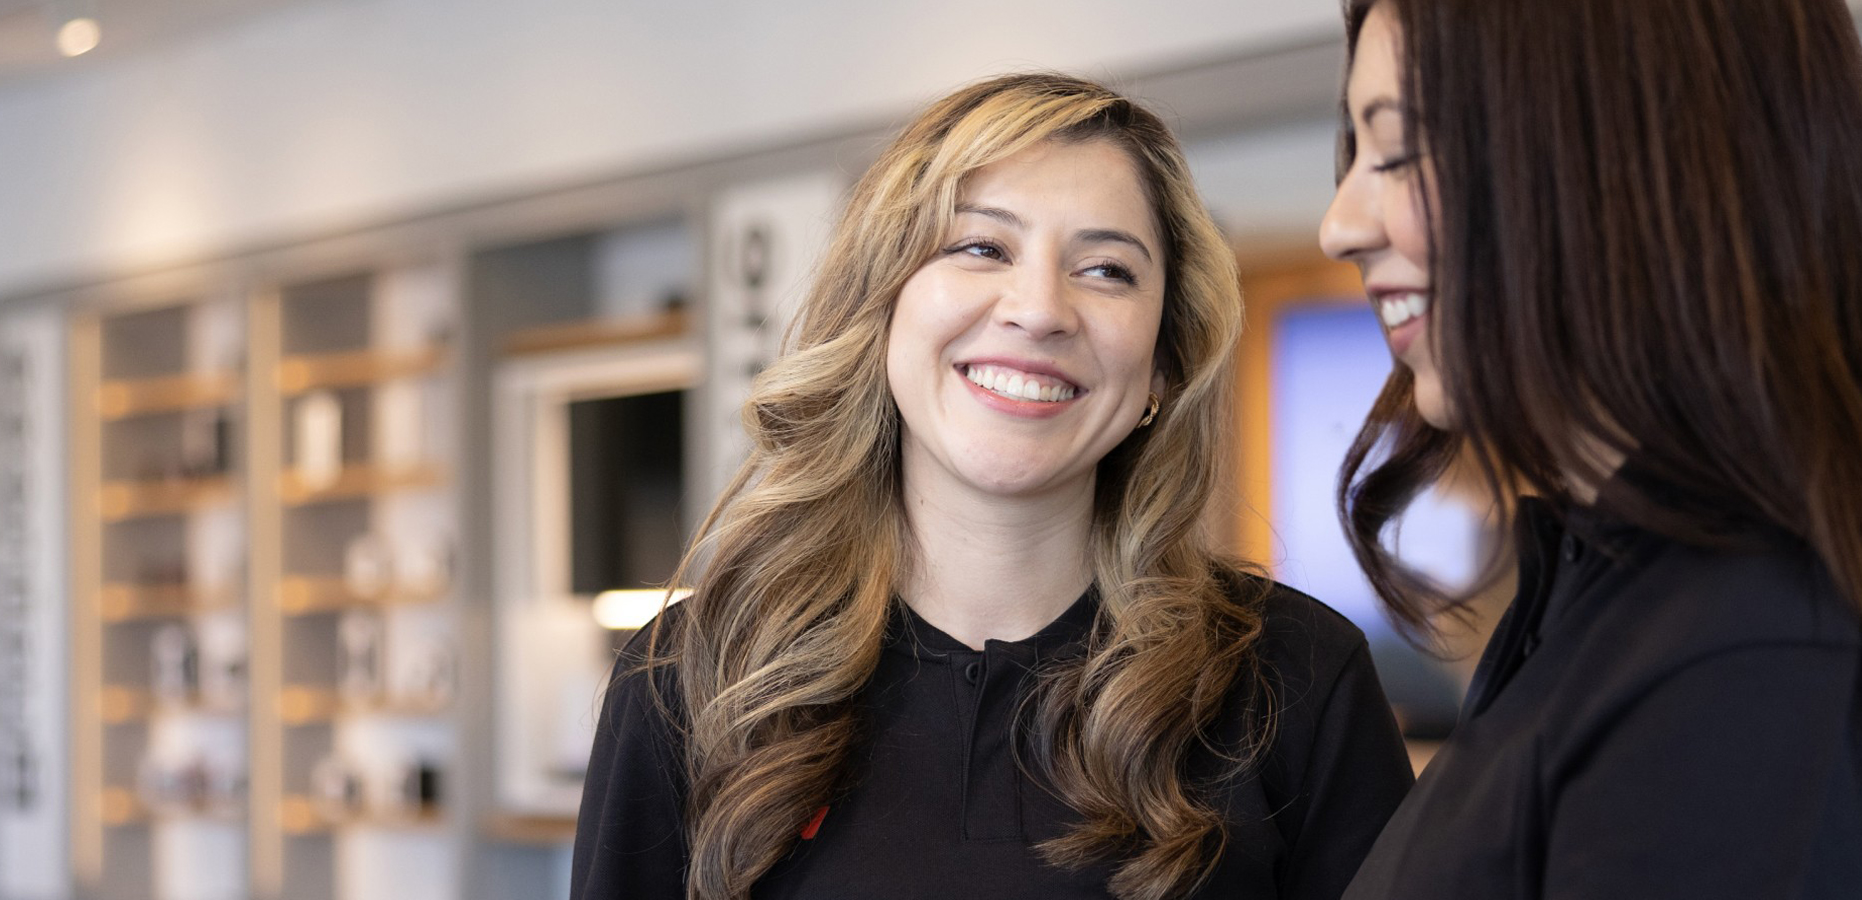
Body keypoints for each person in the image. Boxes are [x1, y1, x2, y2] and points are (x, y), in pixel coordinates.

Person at [574, 73, 1413, 900]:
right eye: (981, 247)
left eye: (1107, 269)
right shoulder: (692, 675)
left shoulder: (1297, 678)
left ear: (1163, 360)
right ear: (882, 306)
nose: (1040, 308)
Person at [1320, 0, 1862, 896]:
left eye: (1401, 152)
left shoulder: (1745, 653)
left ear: (1617, 158)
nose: (1338, 225)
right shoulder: (1593, 593)